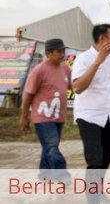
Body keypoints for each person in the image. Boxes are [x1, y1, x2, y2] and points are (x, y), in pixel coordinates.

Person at [72, 24, 110, 204]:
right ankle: (93, 198)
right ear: (102, 39)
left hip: (108, 115)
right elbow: (78, 87)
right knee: (95, 158)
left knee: (106, 157)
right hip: (89, 116)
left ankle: (98, 191)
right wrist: (98, 60)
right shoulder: (83, 58)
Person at [19, 38, 71, 181]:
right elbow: (29, 94)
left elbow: (75, 86)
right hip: (42, 117)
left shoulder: (65, 69)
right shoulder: (39, 71)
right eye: (59, 51)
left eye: (63, 51)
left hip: (59, 117)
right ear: (49, 53)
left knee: (48, 147)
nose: (62, 54)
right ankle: (62, 176)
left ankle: (44, 176)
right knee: (52, 146)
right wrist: (24, 117)